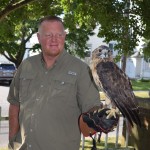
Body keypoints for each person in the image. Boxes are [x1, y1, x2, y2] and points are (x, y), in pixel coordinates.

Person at [7, 16, 102, 150]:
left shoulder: (80, 69)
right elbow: (14, 104)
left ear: (65, 36)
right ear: (39, 37)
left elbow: (92, 110)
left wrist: (99, 118)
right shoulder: (26, 65)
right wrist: (12, 141)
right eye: (48, 35)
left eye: (59, 35)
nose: (54, 40)